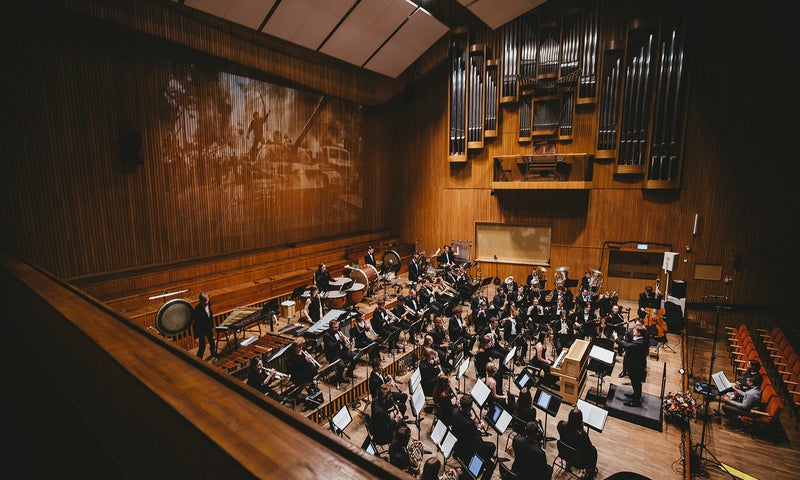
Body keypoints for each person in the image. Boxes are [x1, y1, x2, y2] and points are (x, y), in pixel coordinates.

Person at [451, 394, 496, 464]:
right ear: (469, 407)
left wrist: (471, 419)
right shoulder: (469, 424)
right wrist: (480, 428)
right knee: (492, 446)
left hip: (457, 438)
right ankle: (480, 463)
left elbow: (462, 419)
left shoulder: (455, 410)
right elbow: (476, 437)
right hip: (466, 444)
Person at [557, 406, 598, 478]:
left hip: (564, 453)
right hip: (578, 462)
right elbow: (588, 451)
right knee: (593, 450)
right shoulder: (582, 436)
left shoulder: (560, 425)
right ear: (580, 420)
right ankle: (590, 472)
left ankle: (569, 464)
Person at [613, 325, 649, 407]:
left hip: (636, 366)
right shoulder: (638, 339)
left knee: (636, 382)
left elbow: (626, 346)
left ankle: (636, 401)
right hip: (633, 363)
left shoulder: (639, 343)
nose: (633, 331)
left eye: (635, 330)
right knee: (634, 381)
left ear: (639, 333)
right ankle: (636, 394)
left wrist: (616, 338)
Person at [322, 319, 357, 384]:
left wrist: (345, 341)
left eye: (338, 327)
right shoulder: (326, 336)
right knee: (341, 365)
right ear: (330, 327)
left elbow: (342, 343)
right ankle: (340, 377)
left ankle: (349, 372)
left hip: (342, 351)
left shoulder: (338, 331)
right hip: (333, 354)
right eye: (335, 327)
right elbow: (331, 346)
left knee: (356, 356)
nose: (337, 329)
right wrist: (340, 340)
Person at [192, 292, 215, 359]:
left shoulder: (208, 304)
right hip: (201, 330)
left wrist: (212, 326)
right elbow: (195, 324)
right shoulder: (197, 310)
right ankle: (198, 360)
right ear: (201, 301)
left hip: (208, 328)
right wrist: (196, 337)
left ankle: (213, 353)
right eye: (205, 301)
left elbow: (209, 316)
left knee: (212, 343)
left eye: (208, 300)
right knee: (202, 346)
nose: (207, 302)